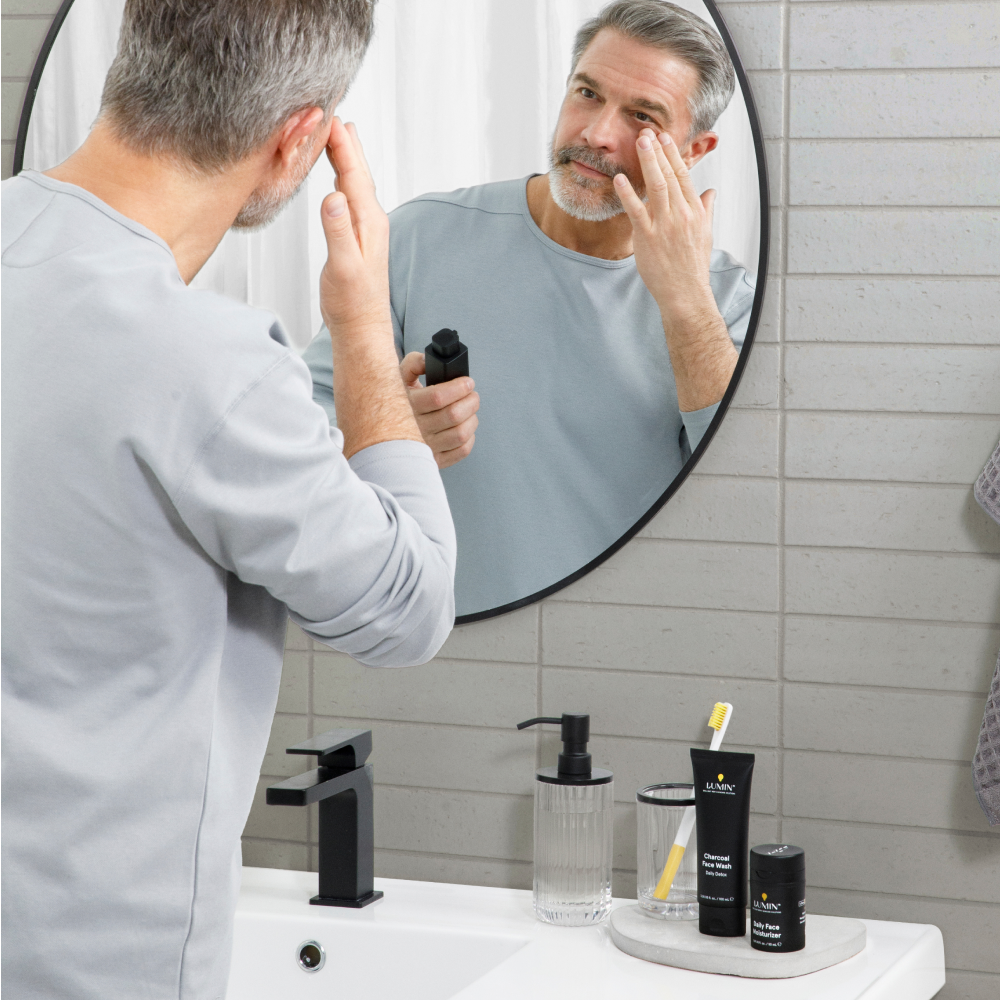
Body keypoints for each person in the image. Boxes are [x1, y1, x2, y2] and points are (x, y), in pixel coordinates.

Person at [1, 2, 456, 998]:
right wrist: (364, 332)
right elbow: (407, 609)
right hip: (96, 966)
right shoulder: (207, 361)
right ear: (302, 138)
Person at [305, 0, 756, 618]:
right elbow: (301, 447)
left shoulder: (725, 300)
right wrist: (391, 430)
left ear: (695, 148)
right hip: (436, 643)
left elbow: (744, 497)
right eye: (588, 93)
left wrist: (683, 301)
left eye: (641, 117)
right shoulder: (414, 239)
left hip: (624, 646)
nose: (597, 133)